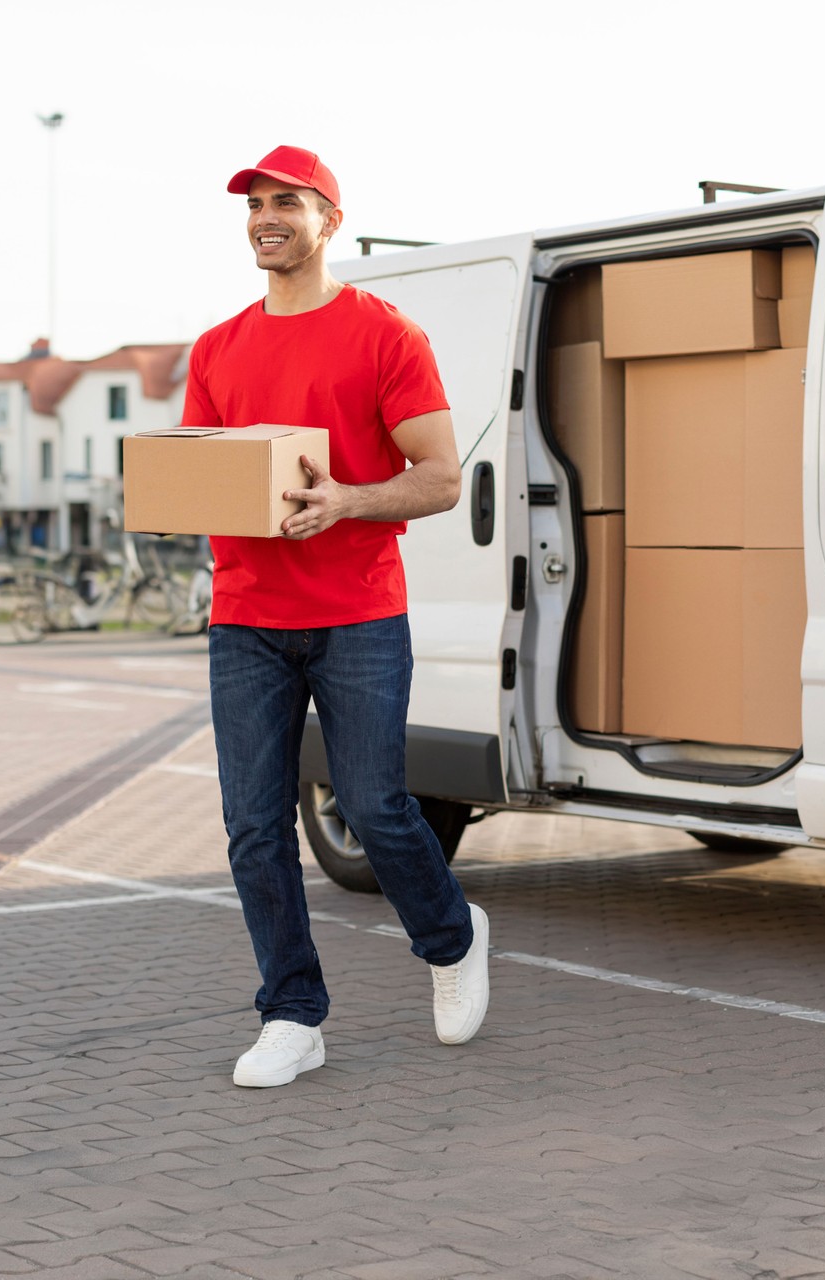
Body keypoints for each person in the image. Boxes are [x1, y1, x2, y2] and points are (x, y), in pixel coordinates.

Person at [182, 145, 489, 1088]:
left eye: (287, 203)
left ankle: (452, 936)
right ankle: (292, 1015)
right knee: (252, 822)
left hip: (356, 611)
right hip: (246, 616)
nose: (265, 218)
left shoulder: (383, 335)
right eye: (254, 205)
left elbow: (441, 476)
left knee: (374, 806)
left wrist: (345, 501)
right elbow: (199, 474)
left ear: (329, 221)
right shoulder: (218, 348)